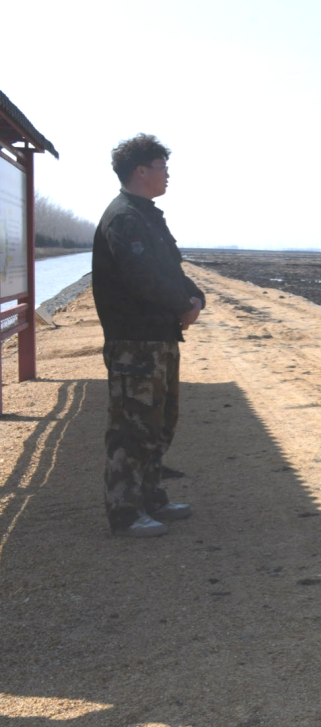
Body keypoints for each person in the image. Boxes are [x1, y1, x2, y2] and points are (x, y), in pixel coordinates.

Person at [92, 134, 204, 538]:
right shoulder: (123, 218)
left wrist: (195, 297)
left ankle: (151, 498)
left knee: (159, 424)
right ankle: (125, 513)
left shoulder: (146, 216)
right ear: (141, 171)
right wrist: (182, 304)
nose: (168, 174)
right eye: (162, 167)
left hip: (159, 339)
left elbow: (168, 270)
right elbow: (141, 278)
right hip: (134, 342)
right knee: (132, 428)